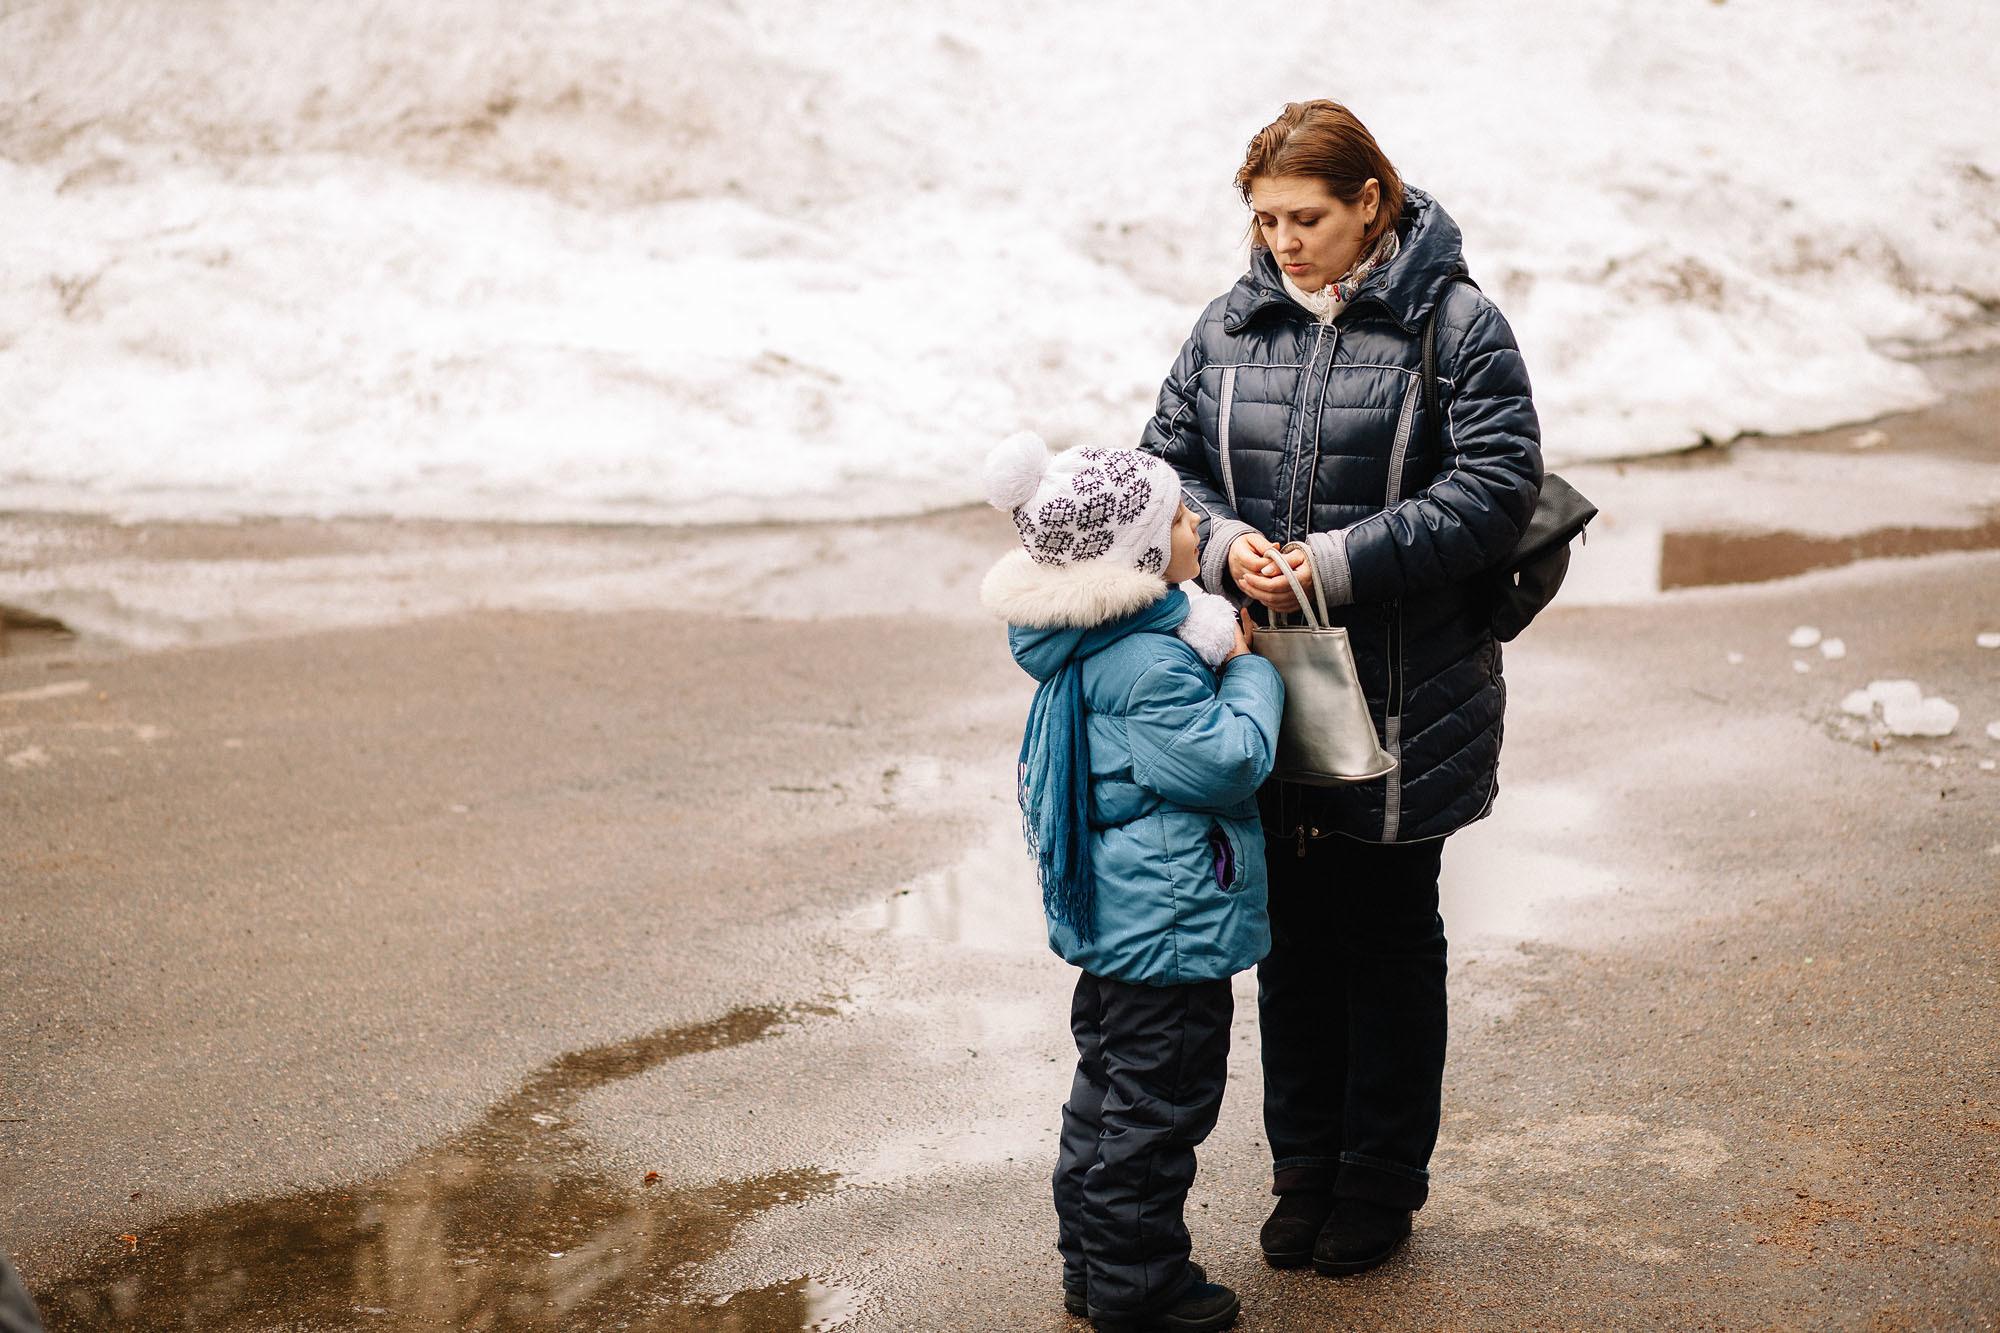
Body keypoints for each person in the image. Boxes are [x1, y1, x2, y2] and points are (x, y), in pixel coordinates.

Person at [1139, 100, 1542, 1277]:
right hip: (1265, 686)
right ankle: (1302, 1169)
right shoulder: (1228, 325)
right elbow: (1163, 465)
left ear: (1370, 201)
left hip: (1407, 691)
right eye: (1264, 220)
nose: (1282, 242)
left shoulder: (1455, 326)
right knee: (1293, 938)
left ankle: (1376, 1179)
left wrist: (1334, 560)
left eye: (1303, 218)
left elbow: (1495, 487)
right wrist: (1225, 548)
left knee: (1387, 931)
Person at [980, 431, 1284, 1333]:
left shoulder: (1087, 641)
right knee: (1158, 1112)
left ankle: (1091, 1266)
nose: (1197, 527)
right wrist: (1251, 673)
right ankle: (1139, 1286)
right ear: (1141, 555)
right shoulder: (1153, 663)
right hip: (1170, 929)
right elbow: (1227, 762)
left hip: (1120, 921)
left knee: (1106, 1099)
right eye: (1182, 519)